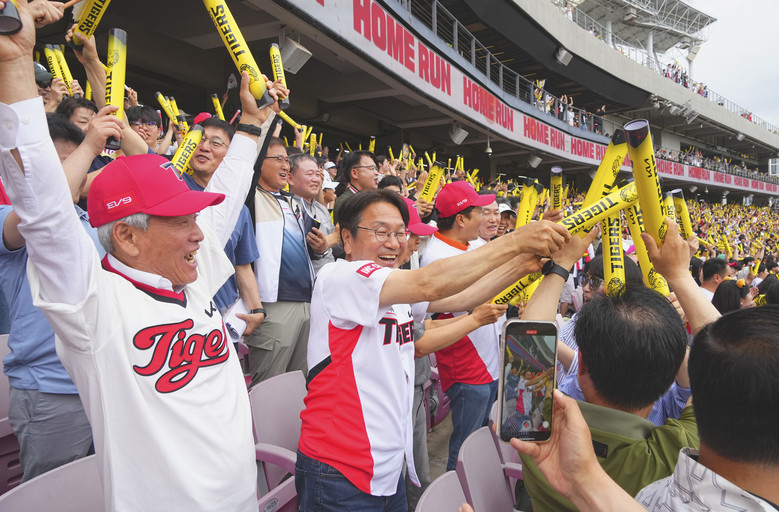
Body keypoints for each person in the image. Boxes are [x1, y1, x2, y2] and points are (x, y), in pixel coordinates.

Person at [0, 11, 282, 508]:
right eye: (180, 221)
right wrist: (16, 62)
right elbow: (42, 210)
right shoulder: (94, 303)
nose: (199, 233)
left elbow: (228, 194)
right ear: (127, 237)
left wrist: (255, 123)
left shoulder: (190, 273)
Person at [296, 189, 571, 511]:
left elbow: (464, 297)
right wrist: (517, 241)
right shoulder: (340, 276)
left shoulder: (393, 291)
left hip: (385, 466)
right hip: (338, 468)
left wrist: (523, 266)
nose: (394, 243)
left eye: (400, 233)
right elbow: (429, 284)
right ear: (347, 238)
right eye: (381, 232)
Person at [517, 223, 698, 511]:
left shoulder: (535, 431)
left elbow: (527, 338)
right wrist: (679, 278)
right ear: (668, 379)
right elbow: (722, 375)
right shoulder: (675, 453)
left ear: (581, 364)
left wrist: (562, 264)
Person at [0, 109, 121, 481]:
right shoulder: (10, 218)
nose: (71, 172)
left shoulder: (92, 223)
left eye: (74, 162)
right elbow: (43, 207)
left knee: (100, 489)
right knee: (54, 495)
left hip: (102, 381)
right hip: (51, 390)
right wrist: (90, 145)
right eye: (55, 165)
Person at [419, 181, 499, 471]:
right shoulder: (436, 257)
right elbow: (461, 302)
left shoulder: (473, 243)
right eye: (480, 212)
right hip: (466, 362)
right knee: (465, 444)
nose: (485, 217)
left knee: (481, 436)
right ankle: (458, 489)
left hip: (488, 357)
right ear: (461, 219)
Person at [182, 115, 265, 337]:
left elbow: (242, 263)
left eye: (216, 143)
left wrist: (256, 309)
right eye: (200, 140)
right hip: (183, 312)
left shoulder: (239, 209)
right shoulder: (176, 189)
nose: (204, 147)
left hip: (224, 316)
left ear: (232, 154)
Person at [247, 138, 318, 384]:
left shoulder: (292, 202)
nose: (285, 165)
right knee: (271, 386)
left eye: (287, 160)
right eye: (277, 159)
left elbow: (309, 248)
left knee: (299, 384)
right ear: (258, 161)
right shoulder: (250, 197)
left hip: (306, 303)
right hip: (273, 306)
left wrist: (320, 247)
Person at [332, 150, 379, 225]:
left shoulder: (369, 198)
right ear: (354, 173)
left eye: (376, 169)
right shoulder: (346, 203)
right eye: (371, 168)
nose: (376, 173)